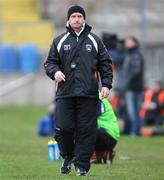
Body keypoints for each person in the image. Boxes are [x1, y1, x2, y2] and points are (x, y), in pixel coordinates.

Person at [44, 5, 113, 176]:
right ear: (68, 19)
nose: (76, 19)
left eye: (79, 16)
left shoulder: (95, 41)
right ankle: (68, 156)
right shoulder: (58, 40)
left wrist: (106, 85)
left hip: (88, 94)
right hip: (65, 94)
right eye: (73, 16)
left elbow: (106, 64)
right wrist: (56, 72)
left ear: (84, 19)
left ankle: (82, 166)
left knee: (86, 131)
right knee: (63, 128)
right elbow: (49, 63)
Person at [123, 36, 144, 136]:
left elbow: (136, 72)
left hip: (133, 88)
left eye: (129, 41)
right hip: (130, 87)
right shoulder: (129, 54)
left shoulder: (135, 55)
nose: (126, 43)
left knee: (133, 111)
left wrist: (127, 83)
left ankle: (135, 132)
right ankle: (129, 130)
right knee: (129, 111)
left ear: (135, 43)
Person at [91, 94, 120, 164]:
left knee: (85, 130)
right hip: (109, 134)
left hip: (108, 134)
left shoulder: (96, 98)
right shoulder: (95, 96)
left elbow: (90, 118)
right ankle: (101, 155)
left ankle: (104, 153)